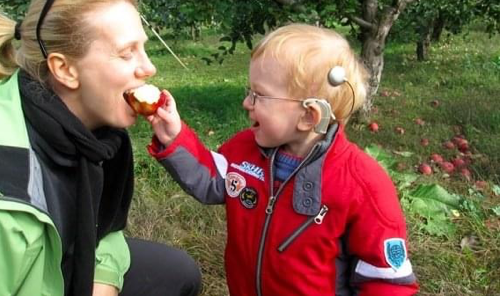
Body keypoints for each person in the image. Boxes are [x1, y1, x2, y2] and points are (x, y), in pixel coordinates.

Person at [0, 0, 201, 296]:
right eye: (126, 53)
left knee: (176, 273)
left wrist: (102, 279)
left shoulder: (94, 134)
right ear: (64, 69)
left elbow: (101, 226)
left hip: (59, 266)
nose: (149, 67)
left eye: (144, 48)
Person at [147, 24, 419, 295]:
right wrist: (175, 138)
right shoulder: (244, 149)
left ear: (308, 116)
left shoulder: (363, 184)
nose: (246, 103)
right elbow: (212, 179)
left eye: (259, 95)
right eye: (249, 91)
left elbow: (385, 280)